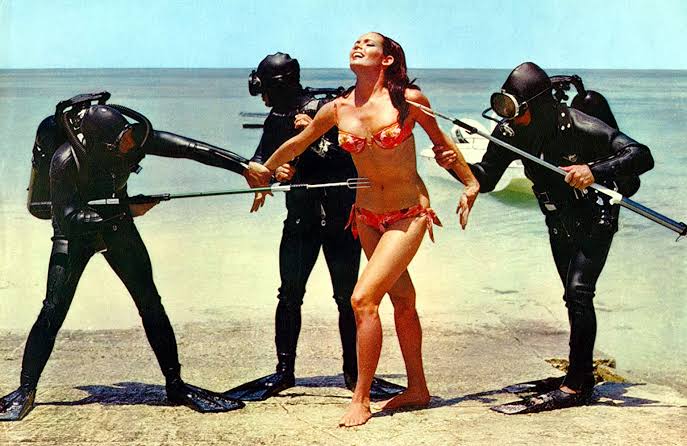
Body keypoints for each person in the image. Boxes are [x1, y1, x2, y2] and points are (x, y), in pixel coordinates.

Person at [248, 33, 480, 427]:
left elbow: (443, 146)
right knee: (402, 300)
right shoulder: (338, 109)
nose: (359, 46)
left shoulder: (409, 100)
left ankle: (361, 398)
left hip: (407, 214)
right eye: (356, 42)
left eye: (370, 44)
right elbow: (298, 143)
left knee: (361, 299)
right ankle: (418, 388)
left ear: (387, 60)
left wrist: (471, 183)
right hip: (366, 217)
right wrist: (263, 171)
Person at [0, 96, 255, 421]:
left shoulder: (132, 138)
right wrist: (127, 209)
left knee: (150, 302)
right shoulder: (64, 161)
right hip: (75, 233)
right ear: (100, 146)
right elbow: (68, 218)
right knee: (52, 310)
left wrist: (244, 167)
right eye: (121, 145)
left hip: (117, 224)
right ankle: (25, 390)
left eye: (129, 140)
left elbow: (191, 149)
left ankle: (176, 384)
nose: (130, 148)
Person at [457, 62, 654, 413]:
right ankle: (581, 373)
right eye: (503, 107)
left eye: (515, 109)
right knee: (571, 297)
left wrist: (593, 170)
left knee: (579, 292)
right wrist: (455, 165)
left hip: (596, 214)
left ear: (539, 105)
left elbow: (641, 155)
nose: (509, 117)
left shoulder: (579, 124)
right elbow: (487, 177)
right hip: (557, 219)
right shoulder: (511, 131)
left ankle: (577, 385)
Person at [227, 53, 404, 401]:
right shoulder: (277, 119)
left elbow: (359, 149)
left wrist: (322, 132)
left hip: (342, 219)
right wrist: (271, 174)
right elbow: (262, 159)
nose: (262, 98)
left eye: (265, 89)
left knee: (347, 298)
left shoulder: (330, 107)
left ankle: (355, 374)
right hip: (300, 219)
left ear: (278, 86)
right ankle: (283, 372)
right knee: (289, 295)